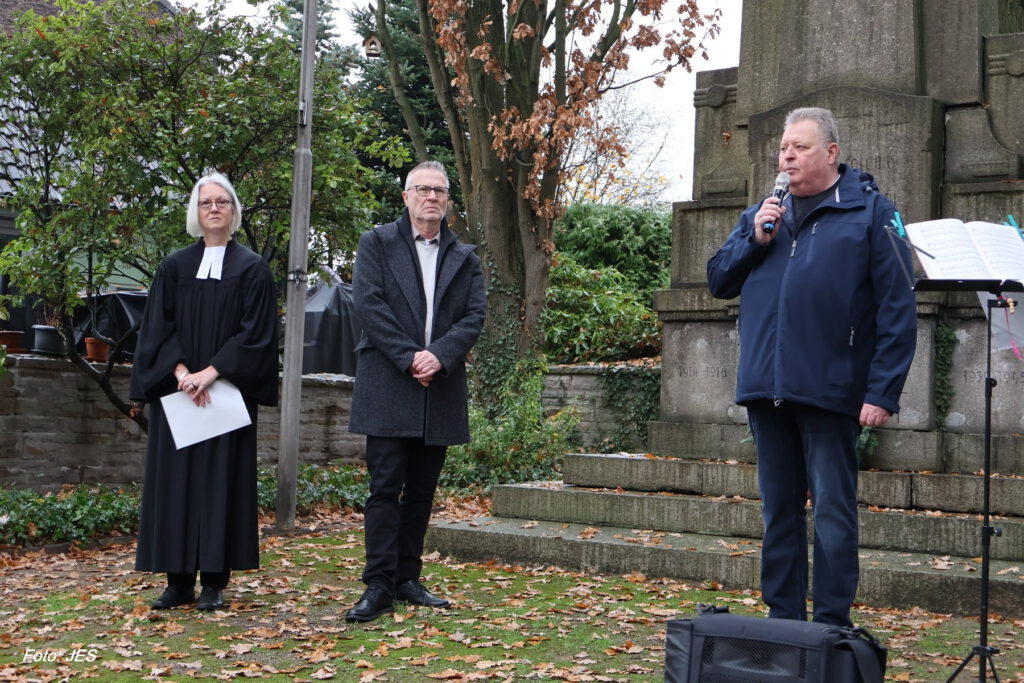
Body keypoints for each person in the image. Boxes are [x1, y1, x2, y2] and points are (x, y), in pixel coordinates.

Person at [706, 107, 917, 626]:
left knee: (832, 514)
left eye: (799, 147)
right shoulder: (764, 214)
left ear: (831, 153)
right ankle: (783, 624)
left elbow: (897, 306)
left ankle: (830, 628)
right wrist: (753, 239)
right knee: (779, 513)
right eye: (783, 149)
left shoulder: (870, 212)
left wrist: (882, 390)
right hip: (766, 387)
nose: (787, 156)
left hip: (832, 388)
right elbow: (717, 280)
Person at [345, 160, 486, 623]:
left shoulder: (465, 256)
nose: (431, 198)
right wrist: (410, 357)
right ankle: (378, 583)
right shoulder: (376, 243)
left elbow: (473, 316)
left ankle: (407, 577)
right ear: (405, 197)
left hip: (439, 388)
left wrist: (438, 356)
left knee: (422, 491)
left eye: (439, 191)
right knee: (385, 488)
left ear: (447, 201)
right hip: (388, 381)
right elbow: (368, 304)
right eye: (422, 190)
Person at [130, 172, 278, 612]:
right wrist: (180, 372)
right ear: (196, 213)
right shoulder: (174, 267)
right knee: (175, 485)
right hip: (179, 396)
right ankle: (177, 582)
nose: (214, 208)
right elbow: (157, 328)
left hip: (226, 397)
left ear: (234, 211)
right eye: (205, 203)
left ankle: (214, 581)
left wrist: (210, 373)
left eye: (222, 202)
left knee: (221, 485)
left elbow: (257, 336)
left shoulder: (252, 269)